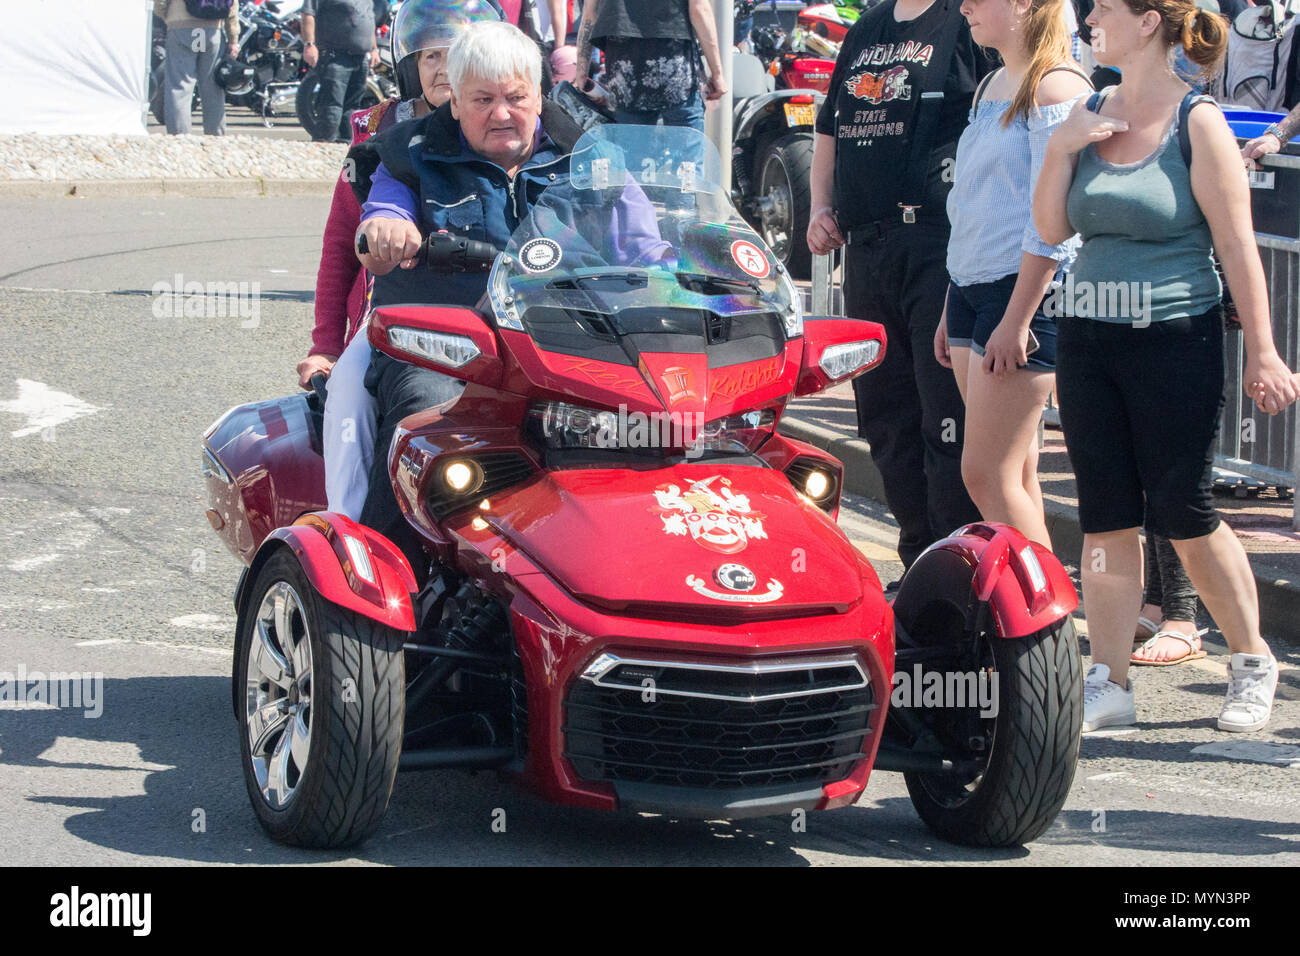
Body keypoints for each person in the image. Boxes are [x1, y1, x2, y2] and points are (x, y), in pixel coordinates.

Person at [1033, 0, 1298, 733]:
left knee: (1183, 508)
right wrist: (1063, 148)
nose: (1089, 20)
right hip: (1088, 337)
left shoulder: (1198, 121)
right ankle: (1108, 680)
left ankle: (1251, 661)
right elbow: (1052, 228)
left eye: (1105, 10)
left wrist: (1267, 352)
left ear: (1148, 21)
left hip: (1175, 335)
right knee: (1106, 517)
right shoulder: (1085, 112)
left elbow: (1239, 243)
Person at [349, 20, 586, 567]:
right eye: (482, 99)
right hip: (443, 350)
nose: (501, 113)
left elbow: (645, 238)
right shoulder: (408, 157)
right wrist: (385, 231)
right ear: (453, 102)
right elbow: (378, 218)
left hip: (563, 349)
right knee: (428, 418)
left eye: (515, 97)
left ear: (539, 95)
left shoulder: (585, 157)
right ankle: (385, 581)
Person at [300, 0, 505, 522]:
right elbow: (340, 243)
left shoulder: (501, 124)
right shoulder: (379, 136)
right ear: (408, 63)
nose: (441, 68)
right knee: (348, 414)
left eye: (454, 54)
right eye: (429, 55)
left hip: (498, 318)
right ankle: (349, 545)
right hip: (388, 321)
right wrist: (325, 347)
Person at [808, 0, 992, 570]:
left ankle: (956, 569)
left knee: (945, 415)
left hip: (936, 242)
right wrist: (819, 205)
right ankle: (917, 561)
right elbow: (829, 125)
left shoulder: (964, 21)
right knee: (884, 414)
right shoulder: (867, 25)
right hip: (867, 245)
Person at [936, 0, 1092, 550]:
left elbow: (1052, 220)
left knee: (986, 474)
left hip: (1022, 292)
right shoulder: (991, 85)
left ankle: (1048, 623)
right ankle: (1035, 623)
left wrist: (1017, 315)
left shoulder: (1057, 88)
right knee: (1015, 474)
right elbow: (970, 202)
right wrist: (950, 300)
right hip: (971, 288)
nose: (964, 7)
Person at [573, 0, 728, 131]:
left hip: (625, 69)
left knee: (633, 160)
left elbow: (590, 13)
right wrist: (717, 73)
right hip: (674, 66)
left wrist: (581, 70)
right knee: (686, 161)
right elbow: (699, 9)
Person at [301, 0, 385, 143]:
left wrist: (374, 48)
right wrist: (309, 44)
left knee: (353, 106)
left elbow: (368, 20)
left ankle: (347, 144)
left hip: (360, 57)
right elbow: (308, 14)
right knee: (332, 105)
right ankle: (324, 144)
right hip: (335, 56)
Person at [154, 0, 240, 136]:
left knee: (180, 86)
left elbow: (160, 4)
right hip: (213, 30)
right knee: (213, 88)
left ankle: (180, 137)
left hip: (180, 27)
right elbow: (233, 6)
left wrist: (168, 18)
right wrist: (233, 39)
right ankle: (216, 136)